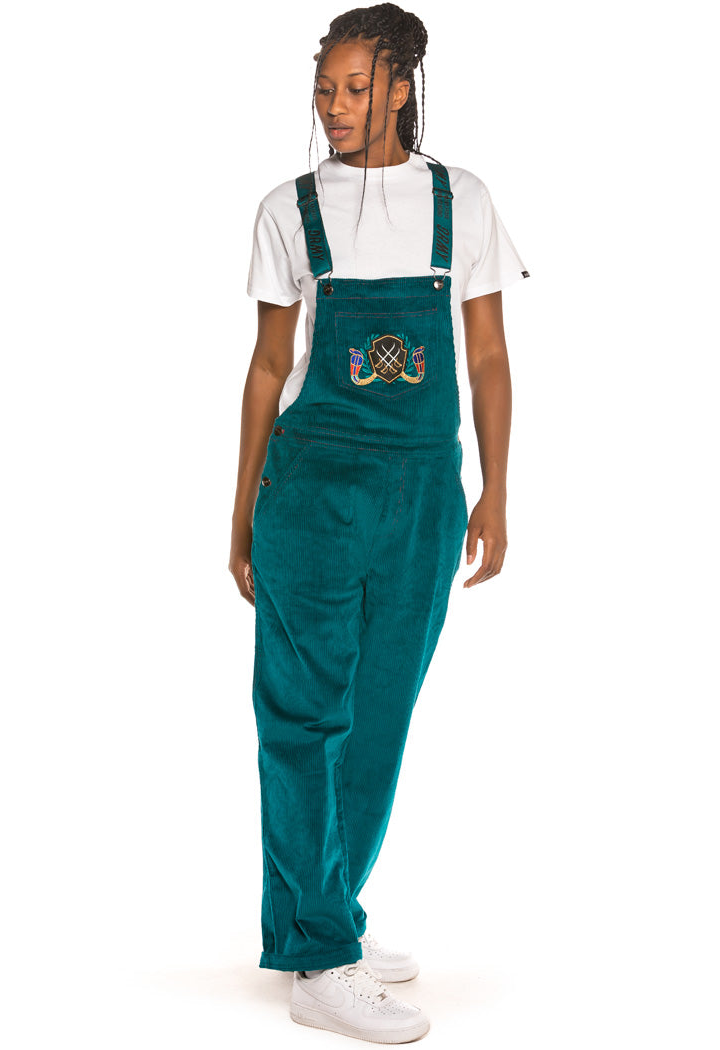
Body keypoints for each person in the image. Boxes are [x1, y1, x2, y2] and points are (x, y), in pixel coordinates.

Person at [228, 3, 529, 1042]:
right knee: (304, 719)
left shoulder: (462, 201)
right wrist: (239, 515)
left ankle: (322, 914)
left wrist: (495, 489)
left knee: (379, 715)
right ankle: (321, 956)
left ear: (403, 86)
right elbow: (269, 367)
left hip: (422, 497)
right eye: (326, 88)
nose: (337, 107)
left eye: (358, 88)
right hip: (312, 490)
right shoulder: (287, 209)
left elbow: (486, 356)